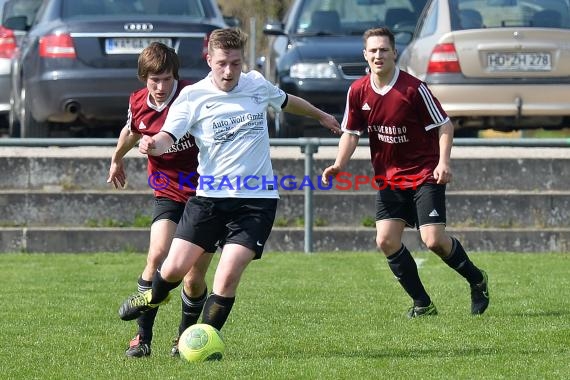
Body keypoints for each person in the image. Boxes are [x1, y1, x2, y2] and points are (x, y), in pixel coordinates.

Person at [117, 28, 341, 336]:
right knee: (171, 269)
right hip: (209, 199)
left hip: (255, 202)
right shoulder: (192, 96)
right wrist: (151, 144)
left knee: (226, 277)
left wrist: (321, 116)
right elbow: (168, 136)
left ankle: (201, 339)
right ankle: (153, 296)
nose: (229, 71)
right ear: (209, 60)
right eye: (222, 62)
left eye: (235, 63)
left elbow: (288, 102)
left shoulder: (256, 85)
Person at [322, 27, 489, 317]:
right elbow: (351, 133)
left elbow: (445, 125)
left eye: (383, 50)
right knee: (385, 240)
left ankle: (477, 279)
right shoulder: (358, 90)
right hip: (389, 179)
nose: (378, 55)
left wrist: (443, 162)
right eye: (373, 50)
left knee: (433, 240)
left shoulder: (414, 89)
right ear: (365, 54)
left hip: (425, 174)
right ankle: (423, 304)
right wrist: (339, 164)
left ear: (394, 53)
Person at [107, 42, 214, 358]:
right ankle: (142, 338)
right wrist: (117, 158)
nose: (160, 86)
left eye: (166, 79)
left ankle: (184, 340)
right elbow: (132, 131)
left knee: (193, 279)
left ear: (176, 77)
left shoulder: (193, 96)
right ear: (144, 78)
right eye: (154, 80)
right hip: (167, 189)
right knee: (157, 256)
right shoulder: (138, 102)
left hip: (204, 193)